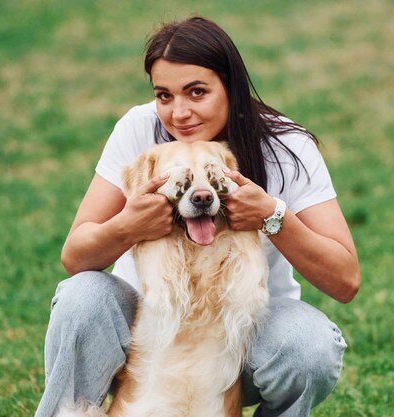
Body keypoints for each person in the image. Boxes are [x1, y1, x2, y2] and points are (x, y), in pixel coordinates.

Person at [35, 16, 360, 417]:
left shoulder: (285, 145)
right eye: (164, 95)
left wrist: (272, 216)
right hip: (147, 327)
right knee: (80, 297)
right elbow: (75, 256)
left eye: (197, 92)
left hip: (239, 333)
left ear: (232, 87)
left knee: (310, 345)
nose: (179, 113)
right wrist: (128, 226)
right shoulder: (139, 129)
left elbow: (345, 280)